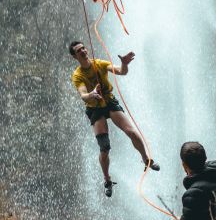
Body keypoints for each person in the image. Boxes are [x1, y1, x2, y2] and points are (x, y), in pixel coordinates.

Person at [68, 40, 159, 197]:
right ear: (74, 57)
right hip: (95, 108)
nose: (83, 51)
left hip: (109, 102)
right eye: (78, 51)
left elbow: (121, 71)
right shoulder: (78, 75)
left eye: (83, 48)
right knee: (105, 147)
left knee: (131, 131)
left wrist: (124, 64)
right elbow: (83, 95)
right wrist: (91, 94)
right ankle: (107, 180)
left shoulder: (100, 64)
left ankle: (146, 159)